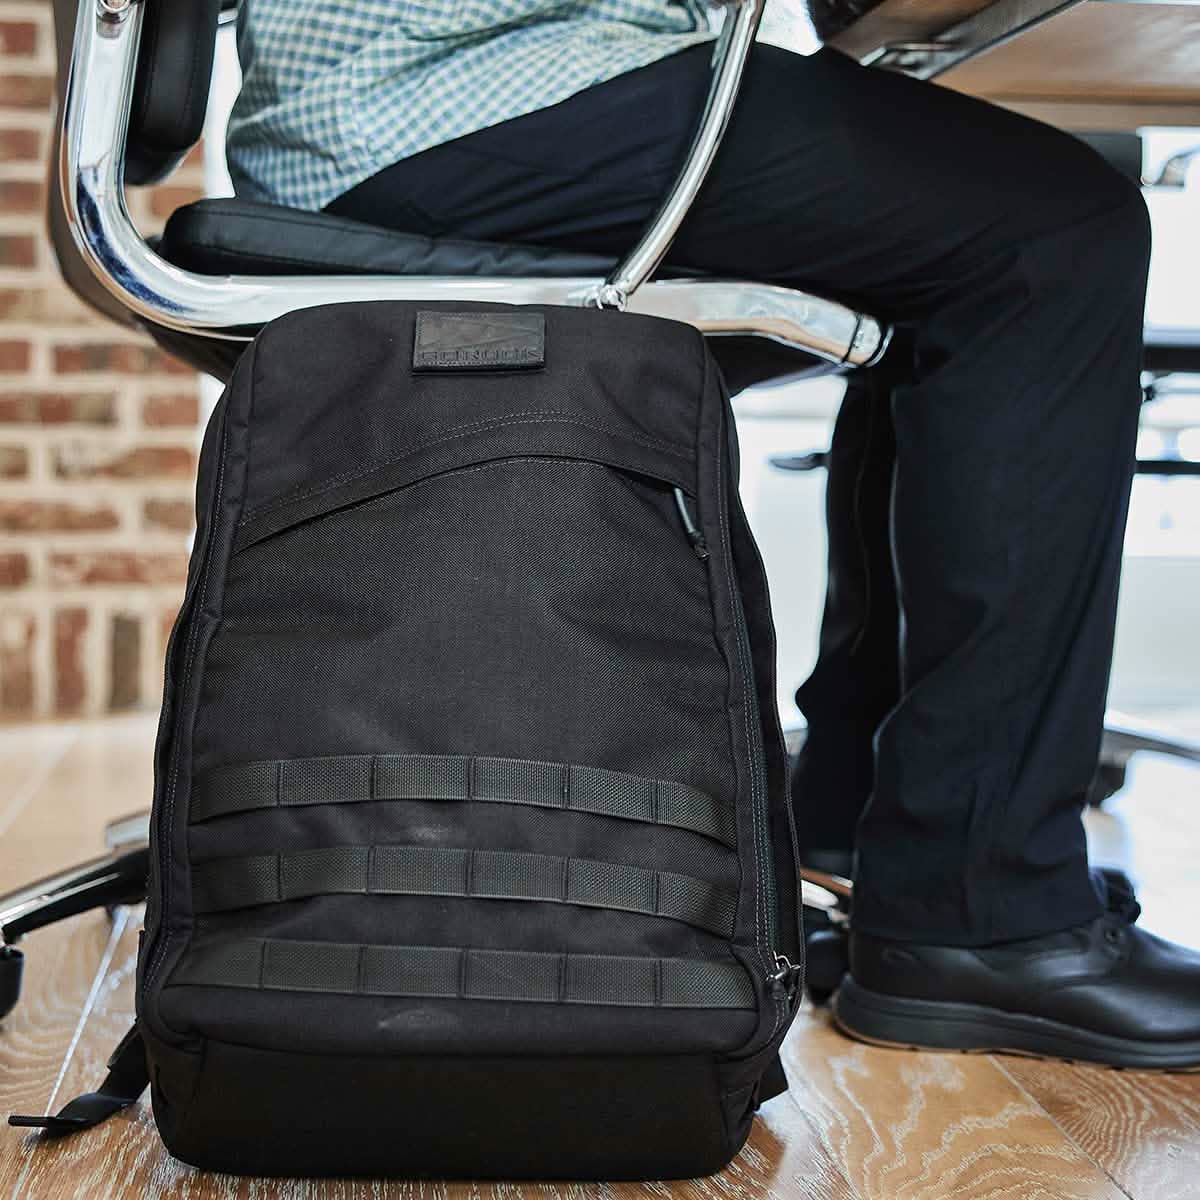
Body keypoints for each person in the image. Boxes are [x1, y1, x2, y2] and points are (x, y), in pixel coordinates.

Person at [226, 0, 1200, 1068]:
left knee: (958, 236)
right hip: (456, 87)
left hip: (384, 96)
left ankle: (860, 835)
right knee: (1058, 229)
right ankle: (980, 907)